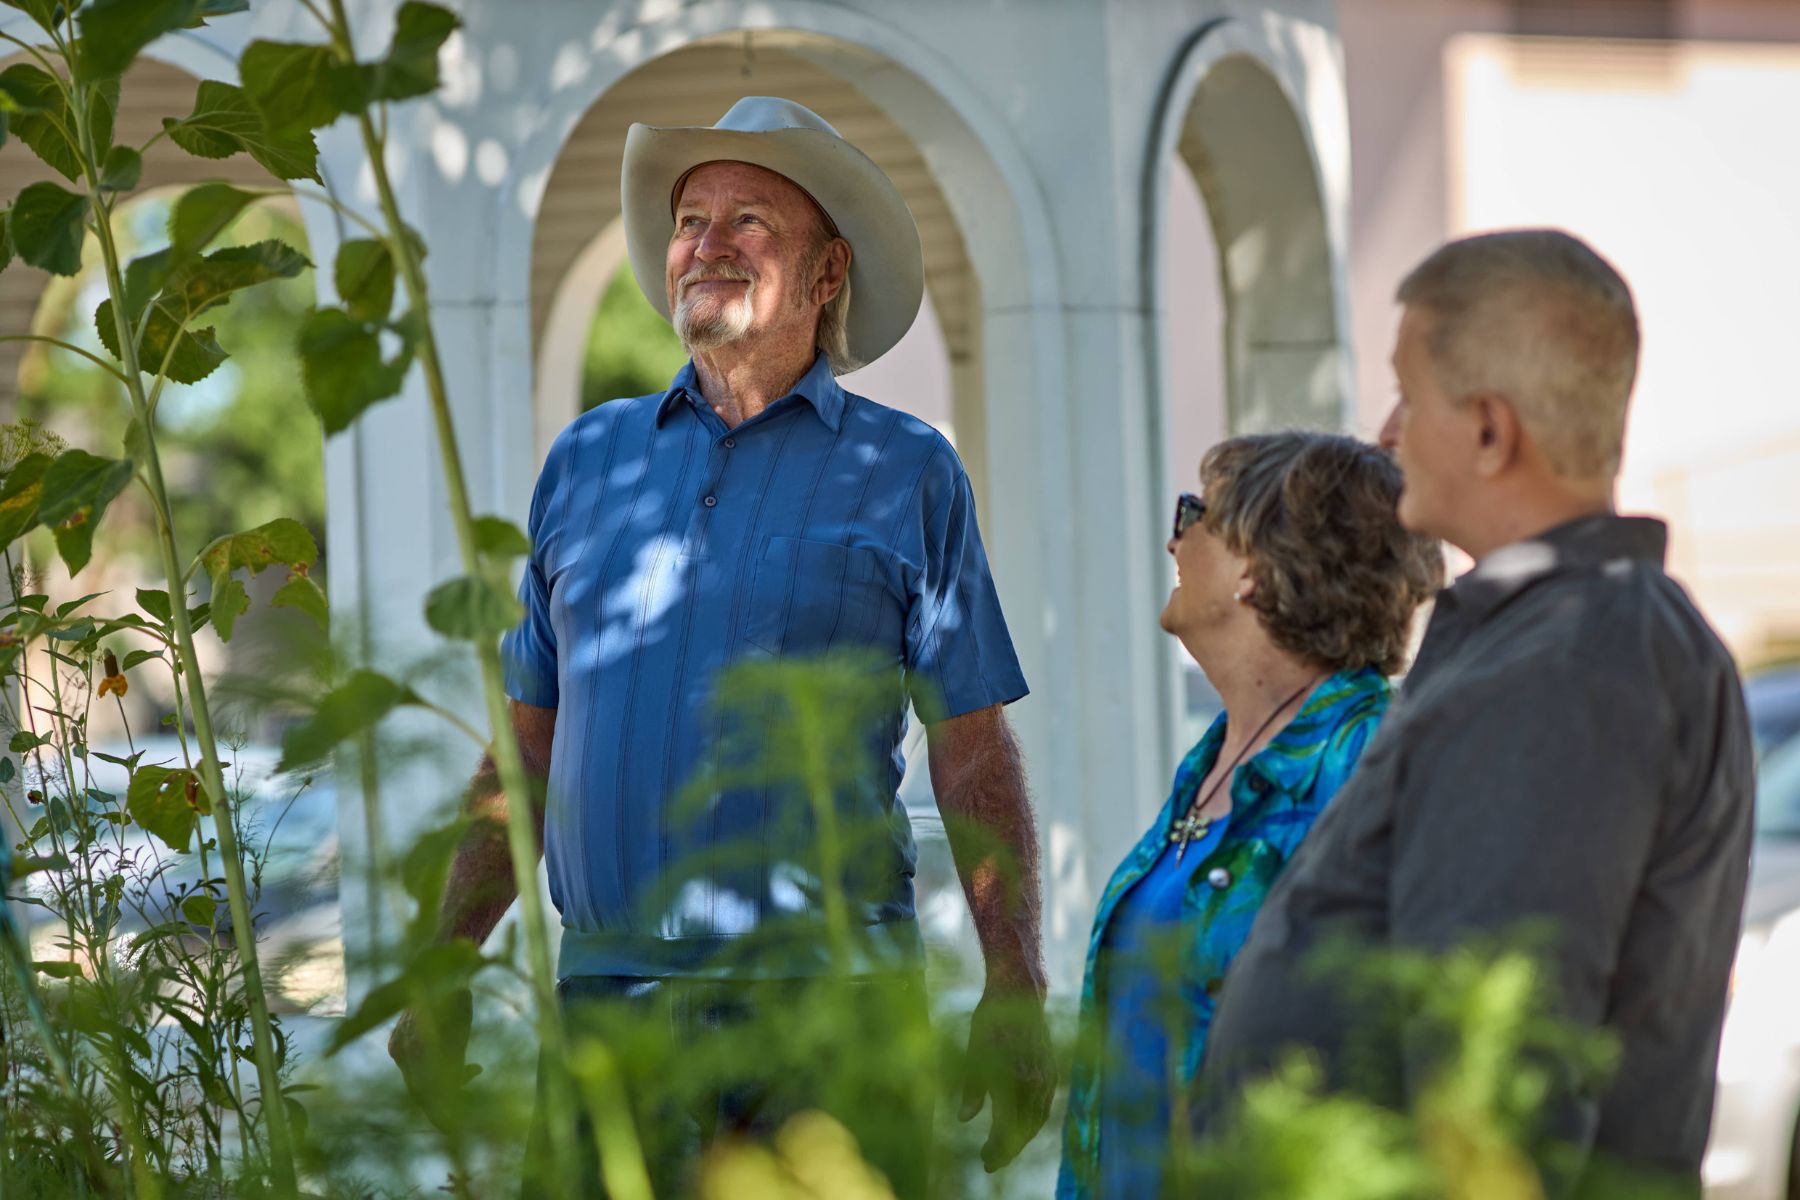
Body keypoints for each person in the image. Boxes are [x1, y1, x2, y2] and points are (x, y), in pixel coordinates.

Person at [387, 96, 1054, 1195]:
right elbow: (527, 750)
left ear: (829, 274)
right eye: (691, 219)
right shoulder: (586, 461)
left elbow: (972, 745)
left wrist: (1014, 979)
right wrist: (445, 958)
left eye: (750, 220)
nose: (706, 243)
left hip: (828, 1007)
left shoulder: (909, 471)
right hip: (614, 1006)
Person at [1200, 230, 1756, 1194]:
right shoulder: (1557, 636)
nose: (1386, 431)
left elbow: (1492, 1093)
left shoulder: (1570, 663)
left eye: (1411, 397)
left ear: (1492, 432)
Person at [1055, 432, 1441, 1198]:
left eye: (1197, 513)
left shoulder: (1377, 762)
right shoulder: (1215, 760)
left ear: (1254, 573)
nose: (1175, 537)